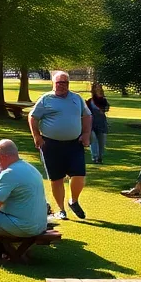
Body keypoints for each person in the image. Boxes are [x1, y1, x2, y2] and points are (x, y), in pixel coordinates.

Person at [29, 71, 91, 220]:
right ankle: (61, 209)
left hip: (74, 143)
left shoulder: (77, 98)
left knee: (79, 176)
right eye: (59, 83)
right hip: (51, 144)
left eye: (65, 83)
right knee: (56, 179)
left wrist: (86, 134)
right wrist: (36, 136)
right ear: (53, 83)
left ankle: (73, 201)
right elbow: (33, 117)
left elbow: (87, 115)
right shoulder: (46, 99)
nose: (62, 86)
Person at [87, 82, 110, 164]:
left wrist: (103, 108)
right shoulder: (90, 101)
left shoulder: (103, 100)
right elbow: (86, 112)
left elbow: (106, 109)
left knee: (101, 142)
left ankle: (100, 157)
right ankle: (95, 157)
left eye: (99, 87)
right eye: (96, 88)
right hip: (92, 124)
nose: (98, 89)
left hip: (101, 123)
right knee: (93, 140)